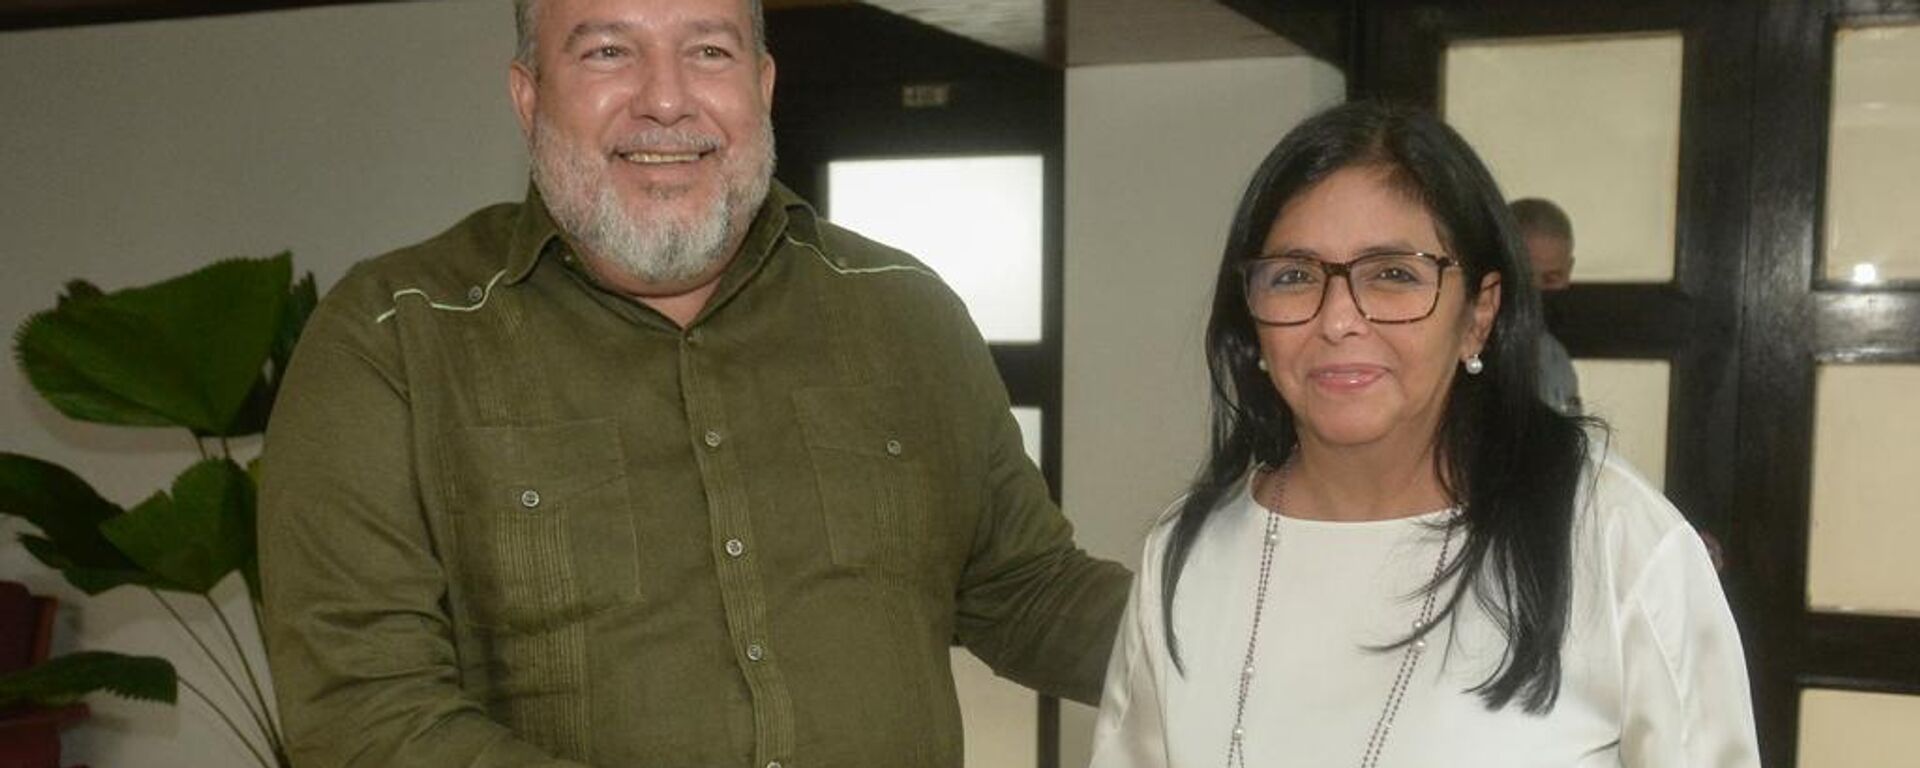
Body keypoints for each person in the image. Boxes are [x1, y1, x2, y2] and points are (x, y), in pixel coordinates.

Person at [257, 0, 1130, 765]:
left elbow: (1027, 590)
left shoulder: (906, 312)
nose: (666, 99)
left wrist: (1250, 622)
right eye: (608, 51)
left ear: (763, 84)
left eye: (708, 51)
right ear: (528, 97)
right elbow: (362, 715)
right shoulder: (391, 338)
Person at [1088, 102, 1758, 767]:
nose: (1339, 319)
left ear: (1479, 315)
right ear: (1252, 316)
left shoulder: (1615, 546)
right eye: (1294, 276)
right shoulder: (1188, 553)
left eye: (1394, 275)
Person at [1510, 197, 1581, 415]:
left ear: (1568, 271)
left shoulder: (1555, 358)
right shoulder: (1464, 352)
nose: (1536, 291)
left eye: (1550, 279)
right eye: (1525, 278)